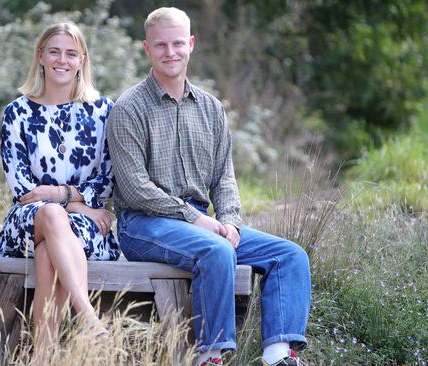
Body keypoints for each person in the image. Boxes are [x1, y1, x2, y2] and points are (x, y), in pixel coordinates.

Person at [107, 7, 310, 366]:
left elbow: (224, 177)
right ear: (146, 49)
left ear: (191, 44)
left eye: (178, 44)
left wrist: (229, 219)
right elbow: (135, 187)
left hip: (204, 225)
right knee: (217, 251)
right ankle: (211, 355)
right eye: (160, 45)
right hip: (143, 225)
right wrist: (195, 219)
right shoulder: (129, 109)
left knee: (290, 255)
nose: (171, 52)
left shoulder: (212, 108)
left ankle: (278, 356)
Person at [0, 22, 119, 363]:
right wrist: (76, 203)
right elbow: (23, 191)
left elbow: (108, 179)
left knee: (49, 253)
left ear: (82, 60)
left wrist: (61, 195)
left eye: (71, 53)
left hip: (87, 226)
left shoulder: (103, 111)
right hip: (28, 223)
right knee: (49, 214)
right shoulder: (17, 113)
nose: (62, 60)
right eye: (55, 51)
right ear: (41, 56)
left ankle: (43, 357)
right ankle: (87, 315)